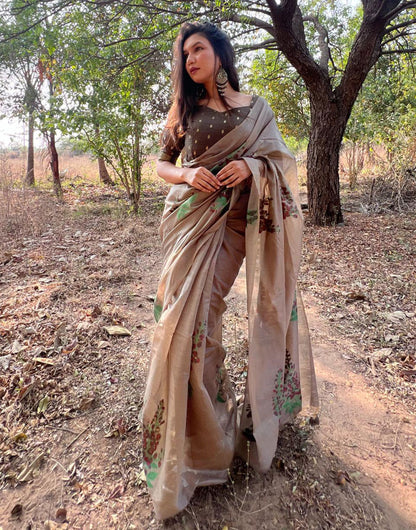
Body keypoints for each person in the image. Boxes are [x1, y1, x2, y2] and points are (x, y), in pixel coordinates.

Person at [142, 21, 318, 520]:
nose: (189, 59)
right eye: (184, 54)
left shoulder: (255, 109)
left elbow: (280, 160)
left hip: (239, 226)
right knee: (187, 324)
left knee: (203, 318)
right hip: (192, 221)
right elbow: (162, 164)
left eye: (198, 49)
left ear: (219, 52)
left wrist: (253, 167)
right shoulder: (185, 109)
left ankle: (220, 427)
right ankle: (200, 435)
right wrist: (187, 172)